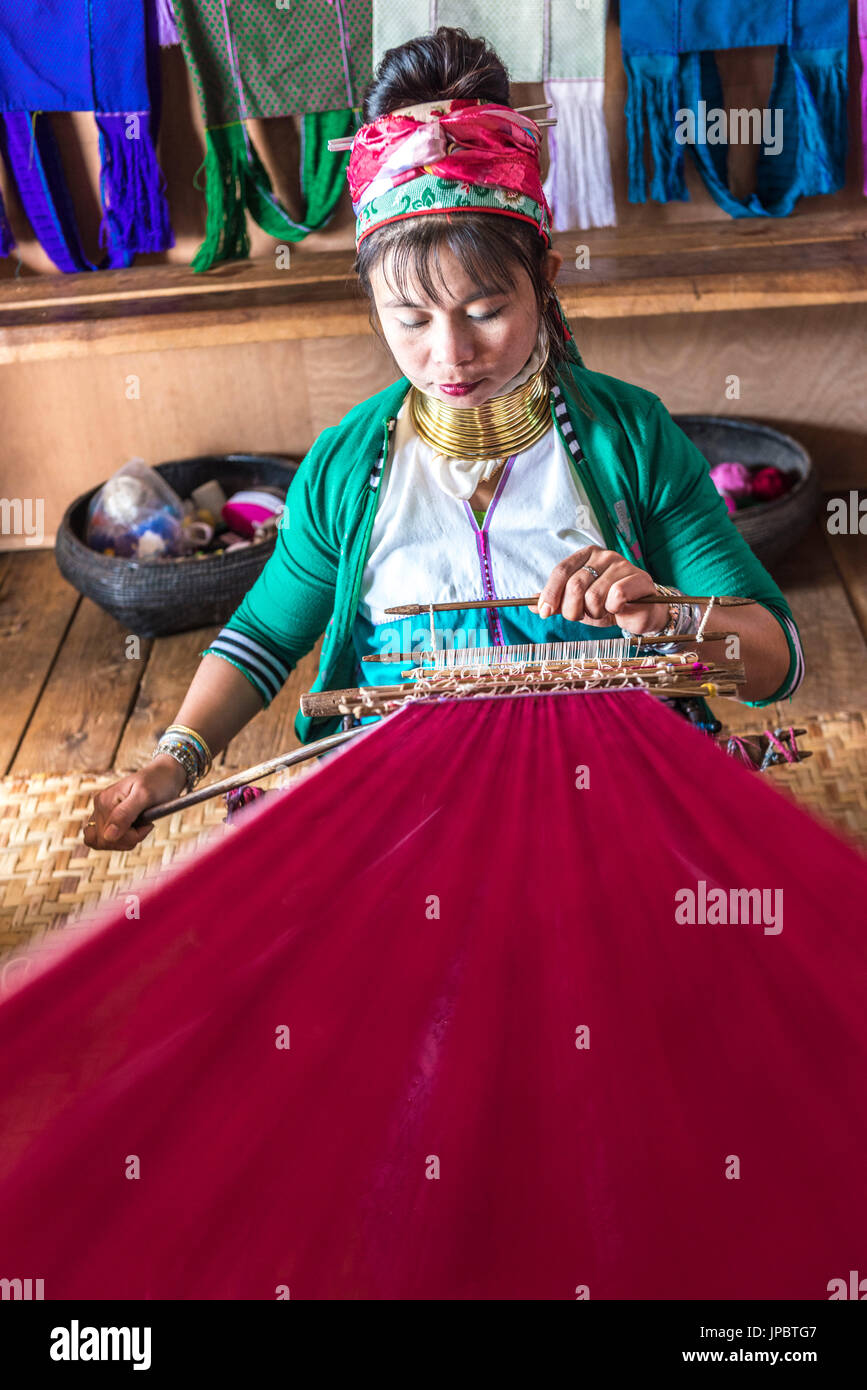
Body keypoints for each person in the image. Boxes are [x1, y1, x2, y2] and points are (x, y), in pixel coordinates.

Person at [84, 26, 803, 853]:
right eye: (410, 318)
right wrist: (173, 760)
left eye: (487, 310)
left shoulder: (631, 439)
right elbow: (266, 638)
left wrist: (665, 612)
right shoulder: (349, 465)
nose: (450, 355)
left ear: (547, 278)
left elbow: (775, 658)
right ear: (373, 305)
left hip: (604, 790)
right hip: (412, 805)